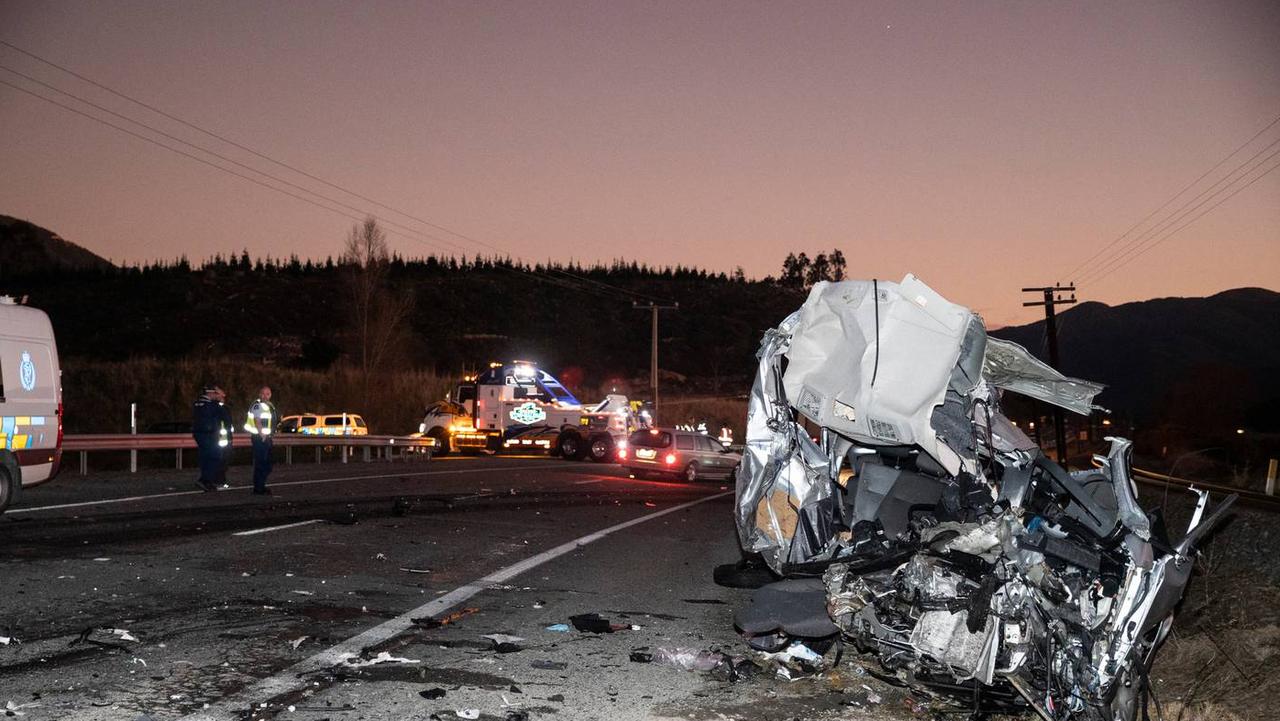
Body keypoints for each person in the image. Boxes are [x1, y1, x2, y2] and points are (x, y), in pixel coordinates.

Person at [192, 384, 232, 492]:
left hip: (201, 434)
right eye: (215, 393)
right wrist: (221, 398)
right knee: (215, 456)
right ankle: (206, 480)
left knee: (206, 457)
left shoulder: (198, 403)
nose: (217, 395)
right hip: (209, 434)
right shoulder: (212, 405)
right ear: (210, 393)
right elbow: (225, 416)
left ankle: (205, 480)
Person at [244, 386, 277, 495]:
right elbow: (257, 420)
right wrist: (262, 434)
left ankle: (261, 485)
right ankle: (258, 488)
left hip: (266, 438)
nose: (266, 396)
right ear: (260, 394)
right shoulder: (257, 405)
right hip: (260, 438)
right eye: (263, 393)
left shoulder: (269, 406)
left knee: (268, 464)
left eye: (268, 393)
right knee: (261, 463)